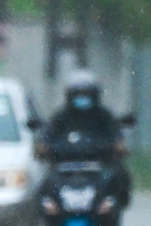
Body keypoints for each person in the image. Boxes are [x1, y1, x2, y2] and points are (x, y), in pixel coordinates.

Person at [39, 69, 131, 205]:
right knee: (44, 182)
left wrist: (118, 147)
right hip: (64, 167)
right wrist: (43, 148)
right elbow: (46, 139)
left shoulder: (104, 116)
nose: (82, 98)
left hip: (99, 166)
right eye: (78, 94)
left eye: (86, 94)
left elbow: (117, 138)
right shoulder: (60, 117)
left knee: (119, 175)